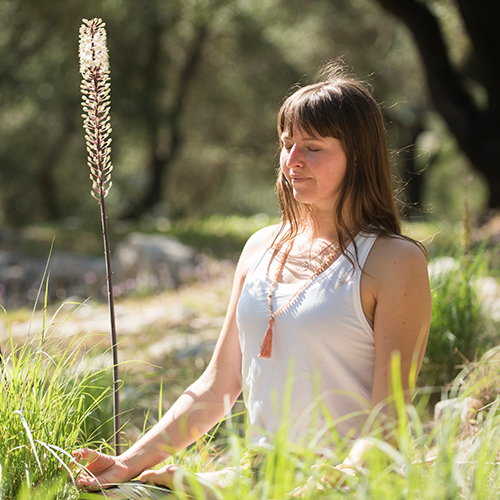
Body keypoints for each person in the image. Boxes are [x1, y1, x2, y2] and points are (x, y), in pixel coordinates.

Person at [73, 61, 431, 494]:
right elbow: (217, 386)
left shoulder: (395, 261)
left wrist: (322, 485)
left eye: (313, 147)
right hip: (259, 473)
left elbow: (387, 421)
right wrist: (126, 464)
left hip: (346, 482)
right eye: (287, 145)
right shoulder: (261, 247)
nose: (292, 161)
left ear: (357, 156)